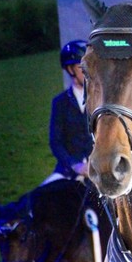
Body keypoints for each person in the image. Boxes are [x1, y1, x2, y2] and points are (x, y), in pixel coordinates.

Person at [43, 39, 94, 184]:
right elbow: (55, 142)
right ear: (70, 70)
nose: (87, 71)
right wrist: (75, 165)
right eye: (82, 67)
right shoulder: (60, 103)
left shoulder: (102, 99)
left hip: (98, 168)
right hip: (71, 170)